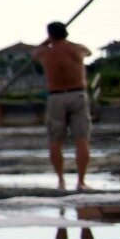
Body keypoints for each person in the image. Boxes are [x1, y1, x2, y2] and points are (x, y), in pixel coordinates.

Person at [32, 23, 92, 192]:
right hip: (77, 94)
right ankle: (81, 182)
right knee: (81, 139)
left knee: (55, 140)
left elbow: (34, 54)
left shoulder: (45, 52)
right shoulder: (77, 49)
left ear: (50, 35)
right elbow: (89, 51)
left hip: (56, 96)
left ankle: (61, 181)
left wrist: (46, 42)